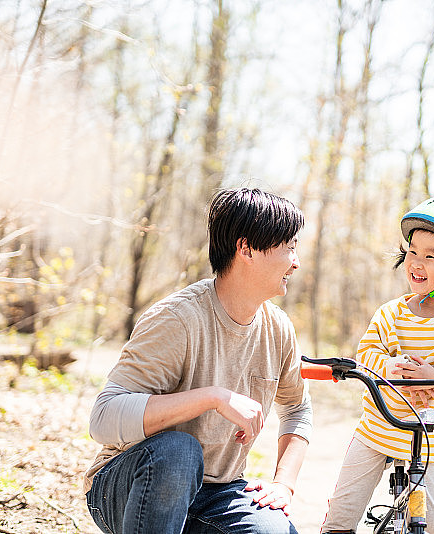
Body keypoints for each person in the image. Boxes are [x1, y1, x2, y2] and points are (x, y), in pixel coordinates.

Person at [84, 187, 312, 534]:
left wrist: (284, 484)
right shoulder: (178, 319)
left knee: (275, 530)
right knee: (178, 452)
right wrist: (212, 398)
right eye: (289, 247)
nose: (295, 262)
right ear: (247, 248)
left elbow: (297, 409)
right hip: (130, 485)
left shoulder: (278, 328)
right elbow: (103, 418)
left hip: (218, 493)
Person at [321, 197, 434, 534]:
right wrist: (389, 368)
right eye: (412, 251)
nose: (416, 262)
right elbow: (367, 353)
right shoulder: (390, 314)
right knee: (341, 513)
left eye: (430, 255)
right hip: (379, 427)